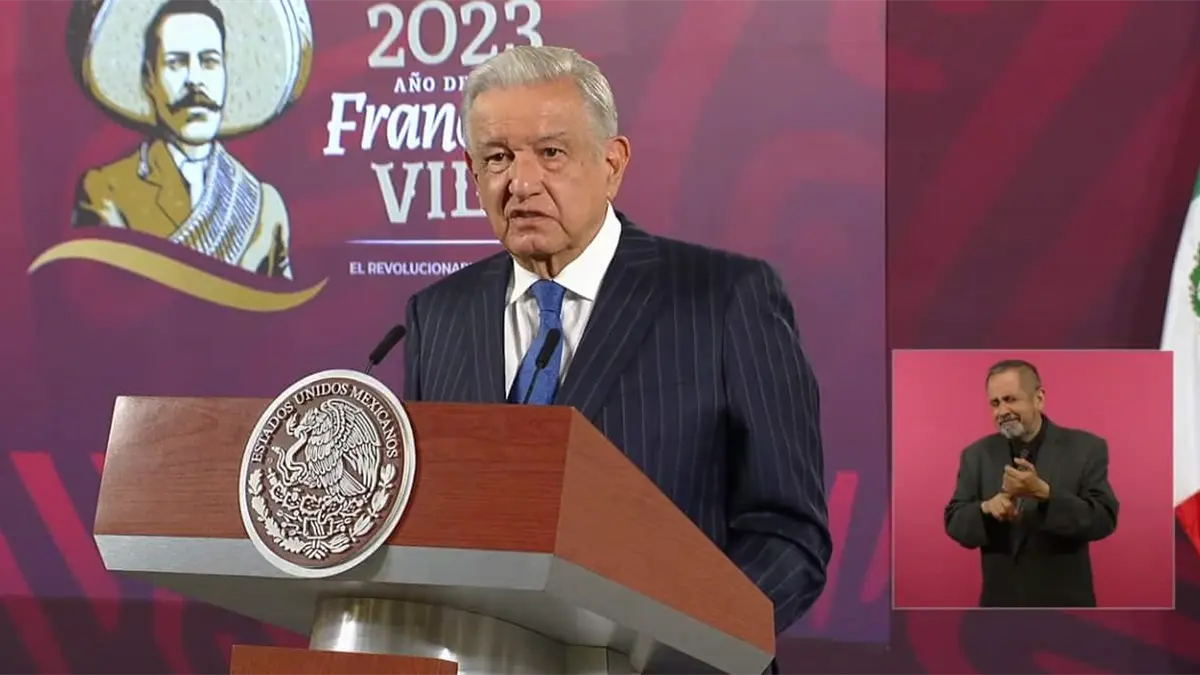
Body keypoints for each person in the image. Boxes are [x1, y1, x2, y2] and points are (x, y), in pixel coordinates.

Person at [402, 45, 832, 638]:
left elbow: (789, 533)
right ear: (472, 174)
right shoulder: (438, 315)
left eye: (551, 153)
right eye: (497, 158)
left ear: (612, 163)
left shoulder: (726, 299)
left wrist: (674, 638)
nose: (521, 183)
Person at [70, 0, 293, 278]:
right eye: (176, 63)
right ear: (149, 79)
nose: (194, 80)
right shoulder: (106, 192)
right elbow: (102, 299)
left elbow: (283, 304)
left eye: (209, 62)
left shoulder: (263, 207)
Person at [944, 359, 1119, 607]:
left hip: (1067, 608)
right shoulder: (976, 455)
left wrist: (1045, 494)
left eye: (1010, 399)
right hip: (999, 608)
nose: (1002, 411)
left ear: (1039, 398)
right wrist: (985, 509)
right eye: (995, 403)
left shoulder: (1086, 448)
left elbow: (1103, 519)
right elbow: (955, 522)